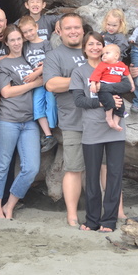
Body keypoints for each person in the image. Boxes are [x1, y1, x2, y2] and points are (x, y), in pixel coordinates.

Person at [71, 32, 128, 232]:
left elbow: (127, 86)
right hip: (92, 129)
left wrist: (108, 91)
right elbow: (79, 101)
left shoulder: (116, 67)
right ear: (84, 48)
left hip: (115, 130)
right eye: (91, 44)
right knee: (92, 176)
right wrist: (104, 101)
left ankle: (109, 220)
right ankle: (92, 219)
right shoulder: (79, 72)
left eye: (99, 44)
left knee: (114, 175)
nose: (95, 48)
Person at [0, 26, 42, 219]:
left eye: (19, 39)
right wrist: (34, 84)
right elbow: (6, 92)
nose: (16, 43)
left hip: (29, 121)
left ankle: (9, 205)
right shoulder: (3, 64)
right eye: (12, 40)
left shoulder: (30, 60)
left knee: (31, 168)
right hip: (8, 119)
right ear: (6, 43)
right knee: (2, 165)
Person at [42, 13, 88, 226]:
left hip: (100, 120)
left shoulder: (94, 48)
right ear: (59, 31)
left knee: (105, 167)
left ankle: (117, 211)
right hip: (72, 120)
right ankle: (72, 214)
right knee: (73, 168)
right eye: (68, 28)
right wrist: (82, 80)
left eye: (76, 27)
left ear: (83, 29)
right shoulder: (55, 55)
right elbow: (51, 84)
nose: (73, 31)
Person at [17, 15, 58, 151]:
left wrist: (37, 72)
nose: (29, 34)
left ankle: (54, 127)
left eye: (30, 30)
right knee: (37, 106)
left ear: (36, 27)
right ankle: (48, 135)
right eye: (25, 32)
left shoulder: (46, 43)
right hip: (36, 83)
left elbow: (51, 61)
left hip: (48, 79)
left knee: (51, 102)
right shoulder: (25, 46)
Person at [89, 44, 135, 131]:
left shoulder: (121, 65)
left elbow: (127, 74)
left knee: (120, 107)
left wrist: (132, 84)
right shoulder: (102, 65)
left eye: (107, 53)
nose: (104, 55)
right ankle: (109, 118)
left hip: (116, 88)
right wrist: (93, 84)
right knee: (109, 102)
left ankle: (115, 122)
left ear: (116, 56)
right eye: (103, 54)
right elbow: (96, 74)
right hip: (104, 88)